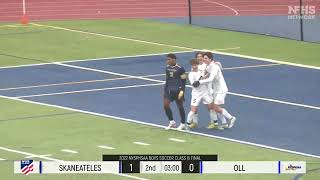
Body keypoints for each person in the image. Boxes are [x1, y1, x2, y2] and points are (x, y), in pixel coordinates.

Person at [193, 52, 236, 129]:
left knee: (215, 107)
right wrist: (201, 79)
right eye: (204, 58)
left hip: (221, 89)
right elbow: (206, 75)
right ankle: (224, 123)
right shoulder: (208, 66)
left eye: (206, 58)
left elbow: (210, 79)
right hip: (216, 90)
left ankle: (231, 118)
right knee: (215, 107)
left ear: (210, 59)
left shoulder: (215, 67)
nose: (204, 59)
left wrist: (199, 82)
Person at [187, 59, 218, 129]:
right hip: (196, 94)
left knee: (211, 107)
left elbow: (204, 76)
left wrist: (208, 74)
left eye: (195, 65)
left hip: (205, 92)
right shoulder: (191, 74)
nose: (194, 66)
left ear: (197, 65)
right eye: (192, 65)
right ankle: (188, 125)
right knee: (193, 110)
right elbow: (195, 85)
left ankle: (215, 123)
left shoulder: (201, 71)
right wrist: (201, 80)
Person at [164, 53, 187, 130]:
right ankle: (172, 122)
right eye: (167, 59)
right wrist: (165, 89)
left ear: (174, 59)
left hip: (178, 91)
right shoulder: (167, 68)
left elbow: (184, 81)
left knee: (180, 107)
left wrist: (182, 91)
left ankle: (183, 123)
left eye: (169, 59)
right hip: (169, 90)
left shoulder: (180, 68)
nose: (167, 61)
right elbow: (167, 79)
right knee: (166, 105)